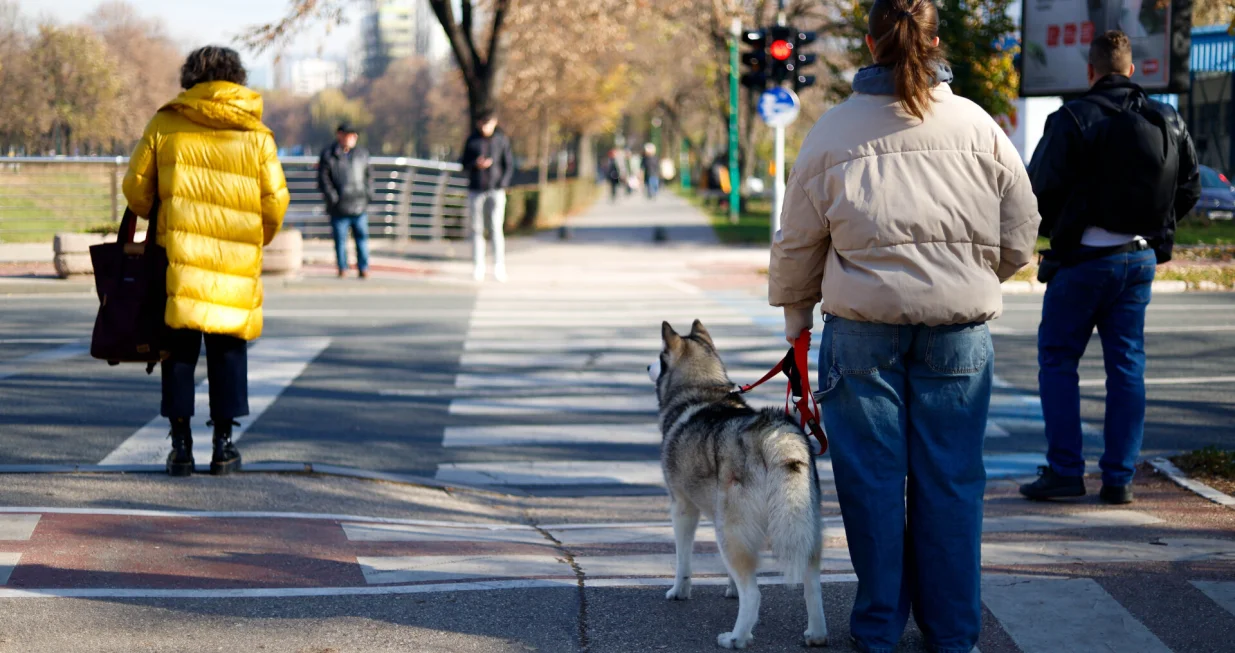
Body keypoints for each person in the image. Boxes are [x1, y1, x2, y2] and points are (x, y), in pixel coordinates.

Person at [767, 1, 1040, 651]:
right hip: (959, 331)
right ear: (935, 40)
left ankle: (878, 626)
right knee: (951, 480)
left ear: (868, 43)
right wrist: (971, 276)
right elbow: (1021, 231)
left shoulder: (833, 131)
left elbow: (798, 241)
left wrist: (795, 319)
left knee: (871, 485)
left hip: (859, 330)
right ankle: (952, 632)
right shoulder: (976, 125)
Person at [1021, 31, 1200, 505]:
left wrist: (1065, 230)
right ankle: (1119, 478)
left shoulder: (1072, 119)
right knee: (1127, 367)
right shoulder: (1167, 118)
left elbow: (1038, 191)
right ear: (1133, 70)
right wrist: (1154, 227)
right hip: (1139, 258)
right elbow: (1190, 189)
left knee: (1058, 362)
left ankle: (1064, 472)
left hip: (1083, 260)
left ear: (1090, 71)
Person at [122, 45, 289, 477]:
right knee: (228, 349)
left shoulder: (164, 122)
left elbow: (136, 193)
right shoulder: (257, 134)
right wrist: (255, 238)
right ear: (237, 79)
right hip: (233, 259)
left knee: (179, 351)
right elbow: (274, 203)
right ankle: (224, 446)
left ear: (189, 77)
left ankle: (180, 447)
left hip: (178, 259)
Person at [461, 110, 514, 282]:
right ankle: (478, 266)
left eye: (488, 123)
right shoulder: (472, 140)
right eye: (482, 124)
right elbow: (463, 163)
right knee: (476, 229)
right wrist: (475, 164)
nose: (485, 127)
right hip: (476, 189)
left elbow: (508, 164)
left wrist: (503, 184)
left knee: (496, 229)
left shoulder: (501, 140)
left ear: (494, 123)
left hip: (495, 189)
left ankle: (499, 266)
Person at [317, 123, 372, 279]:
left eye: (354, 135)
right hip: (339, 206)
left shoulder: (362, 154)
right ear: (339, 135)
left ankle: (364, 267)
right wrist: (333, 198)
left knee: (362, 238)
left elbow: (369, 176)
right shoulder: (328, 154)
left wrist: (368, 195)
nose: (352, 138)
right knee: (340, 240)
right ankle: (342, 267)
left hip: (359, 204)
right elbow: (323, 180)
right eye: (349, 135)